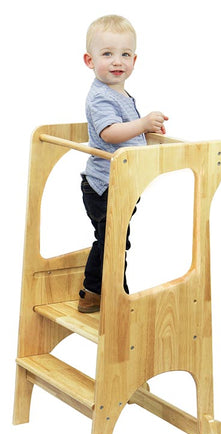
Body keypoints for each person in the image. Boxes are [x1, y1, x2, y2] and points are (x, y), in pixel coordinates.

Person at [78, 15, 168, 313]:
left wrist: (146, 129)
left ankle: (93, 292)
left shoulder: (119, 92)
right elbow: (110, 133)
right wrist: (141, 124)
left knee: (110, 241)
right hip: (104, 186)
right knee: (115, 245)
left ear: (134, 59)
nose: (117, 61)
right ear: (89, 60)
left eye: (125, 54)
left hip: (123, 184)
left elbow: (126, 129)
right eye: (107, 54)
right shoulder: (100, 97)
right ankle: (117, 297)